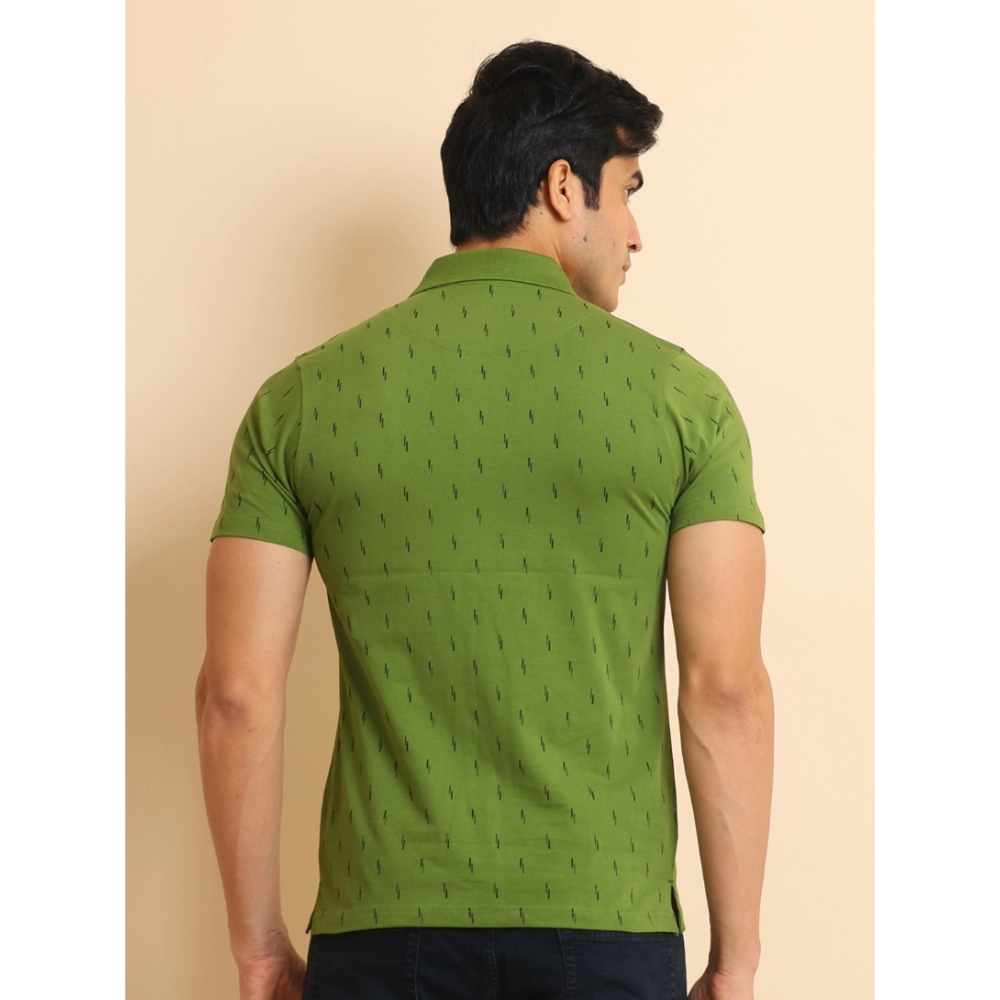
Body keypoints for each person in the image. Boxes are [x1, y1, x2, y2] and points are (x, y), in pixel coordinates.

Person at [196, 38, 774, 1000]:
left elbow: (236, 695)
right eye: (628, 191)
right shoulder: (684, 401)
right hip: (608, 925)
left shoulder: (298, 403)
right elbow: (726, 691)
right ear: (563, 187)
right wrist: (736, 960)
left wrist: (259, 949)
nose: (636, 234)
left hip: (381, 932)